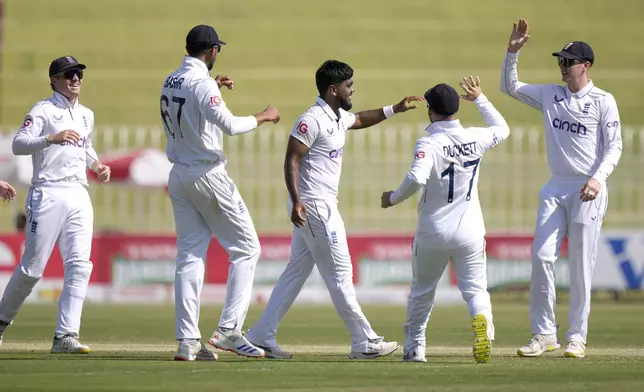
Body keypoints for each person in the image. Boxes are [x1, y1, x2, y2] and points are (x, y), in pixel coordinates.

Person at [246, 59, 423, 360]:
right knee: (340, 273)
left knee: (296, 273)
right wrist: (297, 199)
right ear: (333, 89)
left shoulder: (337, 116)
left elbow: (360, 120)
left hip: (319, 204)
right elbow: (291, 158)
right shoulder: (311, 120)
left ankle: (261, 335)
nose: (353, 89)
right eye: (348, 85)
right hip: (314, 205)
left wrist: (396, 108)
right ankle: (364, 341)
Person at [500, 18, 623, 359]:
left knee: (581, 265)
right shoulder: (550, 95)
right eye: (560, 61)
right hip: (556, 187)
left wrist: (598, 178)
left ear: (586, 66)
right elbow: (510, 87)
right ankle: (544, 334)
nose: (563, 67)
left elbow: (614, 146)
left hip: (588, 188)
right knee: (541, 257)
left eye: (568, 62)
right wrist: (513, 51)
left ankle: (576, 337)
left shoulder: (603, 100)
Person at [161, 24, 280, 361]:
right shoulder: (202, 85)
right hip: (207, 173)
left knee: (189, 255)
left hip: (180, 175)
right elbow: (229, 125)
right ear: (212, 51)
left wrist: (213, 86)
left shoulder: (171, 79)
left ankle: (187, 342)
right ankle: (229, 330)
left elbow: (193, 103)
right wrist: (265, 116)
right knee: (247, 248)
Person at [380, 76, 510, 363]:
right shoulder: (476, 136)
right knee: (475, 289)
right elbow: (503, 129)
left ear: (431, 110)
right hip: (471, 230)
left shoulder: (429, 142)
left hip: (434, 231)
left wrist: (392, 198)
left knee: (422, 292)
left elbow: (416, 178)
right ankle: (484, 332)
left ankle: (415, 348)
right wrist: (480, 99)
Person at [0, 56, 111, 353]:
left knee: (79, 264)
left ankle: (66, 335)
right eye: (69, 74)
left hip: (78, 193)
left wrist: (98, 165)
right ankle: (0, 322)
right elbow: (19, 143)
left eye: (79, 74)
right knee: (32, 270)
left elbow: (85, 146)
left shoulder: (86, 114)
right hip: (48, 192)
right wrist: (51, 138)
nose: (76, 79)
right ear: (54, 80)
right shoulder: (43, 110)